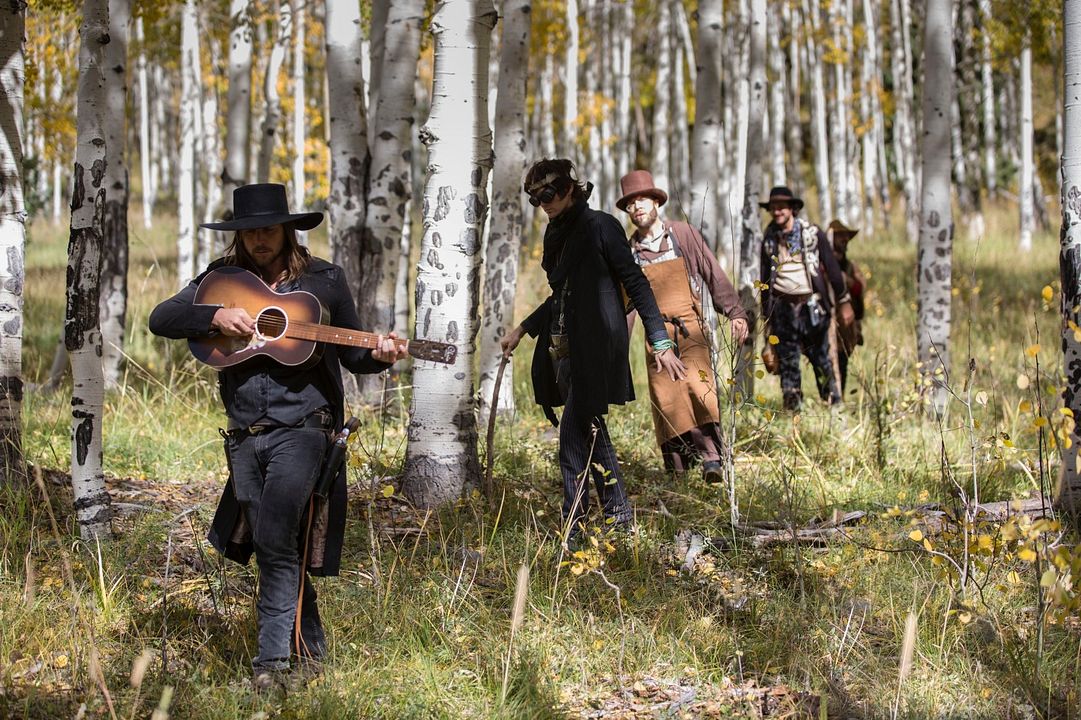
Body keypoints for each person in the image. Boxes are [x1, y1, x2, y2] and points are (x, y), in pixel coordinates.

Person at [148, 183, 408, 687]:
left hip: (305, 428)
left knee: (274, 538)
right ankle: (311, 653)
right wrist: (214, 315)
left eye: (268, 230)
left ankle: (272, 669)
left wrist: (378, 354)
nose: (259, 241)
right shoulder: (222, 282)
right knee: (276, 545)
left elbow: (353, 353)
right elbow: (163, 318)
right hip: (244, 433)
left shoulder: (325, 281)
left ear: (288, 228)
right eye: (249, 234)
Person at [500, 159, 685, 541]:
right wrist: (523, 328)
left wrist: (660, 340)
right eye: (535, 199)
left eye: (549, 194)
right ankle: (619, 516)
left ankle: (575, 532)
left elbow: (636, 283)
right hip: (563, 348)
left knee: (570, 439)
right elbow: (560, 295)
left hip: (597, 348)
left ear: (569, 188)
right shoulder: (556, 233)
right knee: (591, 432)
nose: (544, 204)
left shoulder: (601, 225)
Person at [616, 170, 748, 483]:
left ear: (656, 202)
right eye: (631, 204)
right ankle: (677, 472)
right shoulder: (628, 251)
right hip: (656, 336)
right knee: (667, 398)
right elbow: (626, 305)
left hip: (691, 328)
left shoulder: (682, 234)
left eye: (642, 200)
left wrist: (736, 312)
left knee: (700, 390)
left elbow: (711, 272)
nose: (637, 208)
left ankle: (713, 459)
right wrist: (616, 345)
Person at [758, 186, 854, 411]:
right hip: (782, 308)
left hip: (812, 307)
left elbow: (831, 267)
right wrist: (767, 316)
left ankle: (833, 408)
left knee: (821, 360)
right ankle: (794, 416)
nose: (777, 211)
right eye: (773, 207)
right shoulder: (769, 238)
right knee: (789, 364)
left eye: (782, 206)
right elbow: (765, 277)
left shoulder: (812, 233)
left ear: (792, 208)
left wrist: (843, 300)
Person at [827, 219, 866, 393]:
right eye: (839, 236)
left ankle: (838, 396)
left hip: (846, 325)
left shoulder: (850, 266)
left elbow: (859, 289)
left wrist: (847, 280)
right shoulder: (821, 264)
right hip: (825, 320)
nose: (843, 240)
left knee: (842, 361)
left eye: (845, 237)